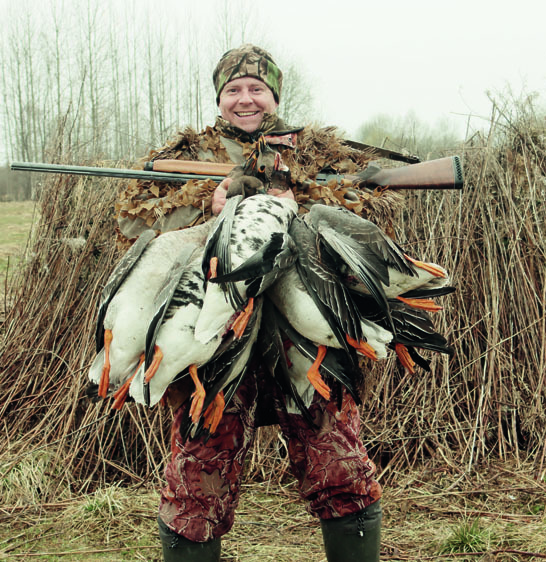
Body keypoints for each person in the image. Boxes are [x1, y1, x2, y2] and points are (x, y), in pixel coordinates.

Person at [117, 44, 397, 562]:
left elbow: (373, 213)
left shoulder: (316, 151)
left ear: (274, 95)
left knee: (339, 465)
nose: (245, 100)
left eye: (256, 89)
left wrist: (301, 208)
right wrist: (209, 208)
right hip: (210, 338)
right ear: (219, 98)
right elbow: (134, 227)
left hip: (308, 338)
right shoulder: (188, 156)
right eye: (233, 91)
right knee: (197, 476)